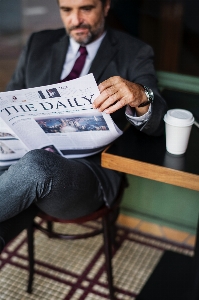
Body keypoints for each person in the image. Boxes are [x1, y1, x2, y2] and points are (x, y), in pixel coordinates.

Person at [0, 0, 168, 254]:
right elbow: (9, 102)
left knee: (36, 166)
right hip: (21, 165)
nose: (76, 19)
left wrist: (141, 95)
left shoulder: (133, 51)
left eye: (86, 9)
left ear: (107, 6)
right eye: (66, 10)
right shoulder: (38, 43)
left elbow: (158, 120)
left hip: (87, 174)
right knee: (26, 174)